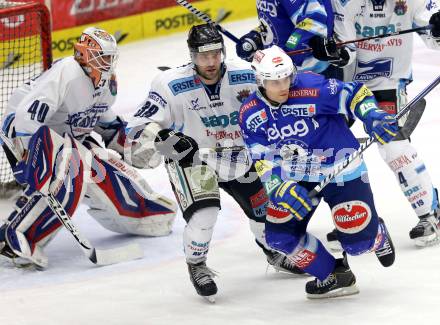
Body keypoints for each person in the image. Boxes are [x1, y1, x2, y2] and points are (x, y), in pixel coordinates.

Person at [127, 23, 304, 302]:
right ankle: (197, 265)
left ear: (222, 52)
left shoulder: (245, 75)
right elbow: (136, 130)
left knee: (266, 214)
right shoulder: (170, 84)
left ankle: (273, 250)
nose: (210, 62)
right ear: (191, 55)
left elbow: (286, 90)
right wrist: (167, 138)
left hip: (240, 158)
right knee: (204, 215)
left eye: (214, 54)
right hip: (194, 160)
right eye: (202, 56)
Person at [0, 27, 177, 268]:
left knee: (104, 174)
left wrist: (129, 143)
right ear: (83, 54)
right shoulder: (68, 72)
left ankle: (140, 214)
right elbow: (26, 116)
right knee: (69, 171)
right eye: (101, 56)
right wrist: (28, 156)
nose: (107, 62)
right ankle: (16, 236)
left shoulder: (106, 84)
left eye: (109, 57)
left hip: (67, 138)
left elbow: (104, 121)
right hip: (24, 134)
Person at [239, 45, 397, 298]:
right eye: (274, 81)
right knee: (279, 237)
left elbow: (355, 93)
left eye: (286, 78)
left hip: (341, 170)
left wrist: (373, 116)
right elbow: (261, 158)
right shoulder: (250, 113)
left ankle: (375, 234)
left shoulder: (312, 87)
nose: (283, 86)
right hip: (297, 177)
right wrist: (278, 186)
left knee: (357, 245)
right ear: (260, 80)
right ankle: (335, 275)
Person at [316, 0, 440, 247]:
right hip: (347, 88)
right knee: (335, 151)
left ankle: (431, 215)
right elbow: (346, 51)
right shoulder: (345, 2)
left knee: (394, 147)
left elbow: (432, 31)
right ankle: (352, 223)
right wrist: (336, 53)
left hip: (389, 83)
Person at [235, 0, 348, 78]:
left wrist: (285, 53)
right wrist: (257, 36)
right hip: (284, 74)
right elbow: (279, 22)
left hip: (313, 74)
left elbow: (313, 21)